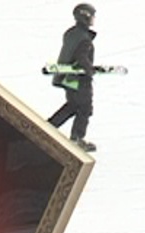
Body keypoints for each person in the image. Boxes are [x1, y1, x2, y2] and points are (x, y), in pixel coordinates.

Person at [47, 3, 98, 152]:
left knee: (73, 105)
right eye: (92, 16)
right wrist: (89, 70)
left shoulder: (71, 33)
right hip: (79, 80)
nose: (94, 19)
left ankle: (50, 126)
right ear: (85, 17)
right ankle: (77, 138)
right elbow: (81, 57)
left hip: (67, 78)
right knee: (85, 108)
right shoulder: (84, 38)